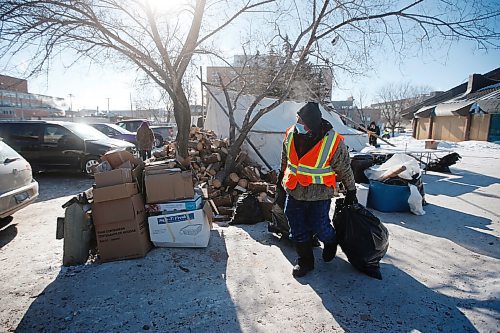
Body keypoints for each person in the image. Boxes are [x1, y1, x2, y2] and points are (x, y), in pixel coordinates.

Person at [280, 102, 357, 278]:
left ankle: (331, 241)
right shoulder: (291, 133)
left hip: (319, 193)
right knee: (296, 226)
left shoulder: (332, 140)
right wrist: (279, 179)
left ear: (313, 123)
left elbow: (344, 167)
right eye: (297, 119)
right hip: (294, 189)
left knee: (319, 225)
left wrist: (351, 190)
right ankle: (305, 261)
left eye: (302, 121)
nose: (298, 123)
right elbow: (285, 159)